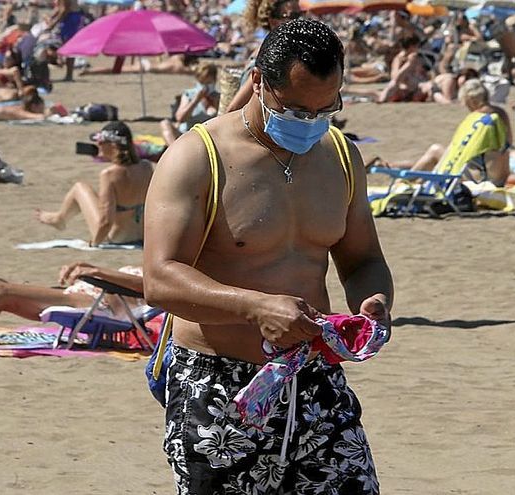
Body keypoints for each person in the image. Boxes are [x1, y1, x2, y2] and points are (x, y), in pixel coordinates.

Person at [143, 19, 392, 493]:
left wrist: (373, 303)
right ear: (258, 81)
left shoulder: (339, 155)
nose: (311, 123)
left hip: (314, 376)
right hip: (219, 385)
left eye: (327, 108)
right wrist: (255, 306)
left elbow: (363, 259)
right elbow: (160, 278)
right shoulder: (197, 157)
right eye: (296, 109)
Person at [371, 79, 513, 185]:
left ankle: (403, 183)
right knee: (437, 154)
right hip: (498, 176)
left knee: (435, 151)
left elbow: (462, 153)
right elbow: (507, 144)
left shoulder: (477, 120)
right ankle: (410, 180)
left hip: (481, 179)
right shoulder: (501, 114)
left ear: (470, 100)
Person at [0, 262, 143, 340]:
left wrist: (96, 271)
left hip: (95, 304)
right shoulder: (150, 264)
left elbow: (144, 287)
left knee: (1, 291)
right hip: (84, 296)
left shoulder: (159, 277)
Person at [35, 121, 154, 246]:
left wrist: (94, 244)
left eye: (101, 142)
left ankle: (59, 219)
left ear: (113, 146)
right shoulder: (146, 167)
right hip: (141, 235)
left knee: (79, 188)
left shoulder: (109, 174)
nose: (98, 145)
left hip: (115, 237)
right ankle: (59, 218)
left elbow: (106, 221)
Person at [224, 0, 302, 113]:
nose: (299, 21)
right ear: (274, 21)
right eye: (293, 16)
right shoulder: (268, 56)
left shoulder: (279, 52)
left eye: (300, 15)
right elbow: (234, 109)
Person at [160, 63, 219, 146]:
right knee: (165, 123)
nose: (205, 87)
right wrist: (195, 101)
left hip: (207, 138)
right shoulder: (189, 95)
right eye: (202, 83)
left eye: (208, 83)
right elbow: (180, 118)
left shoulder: (219, 98)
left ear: (214, 81)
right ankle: (174, 152)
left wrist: (215, 103)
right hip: (186, 133)